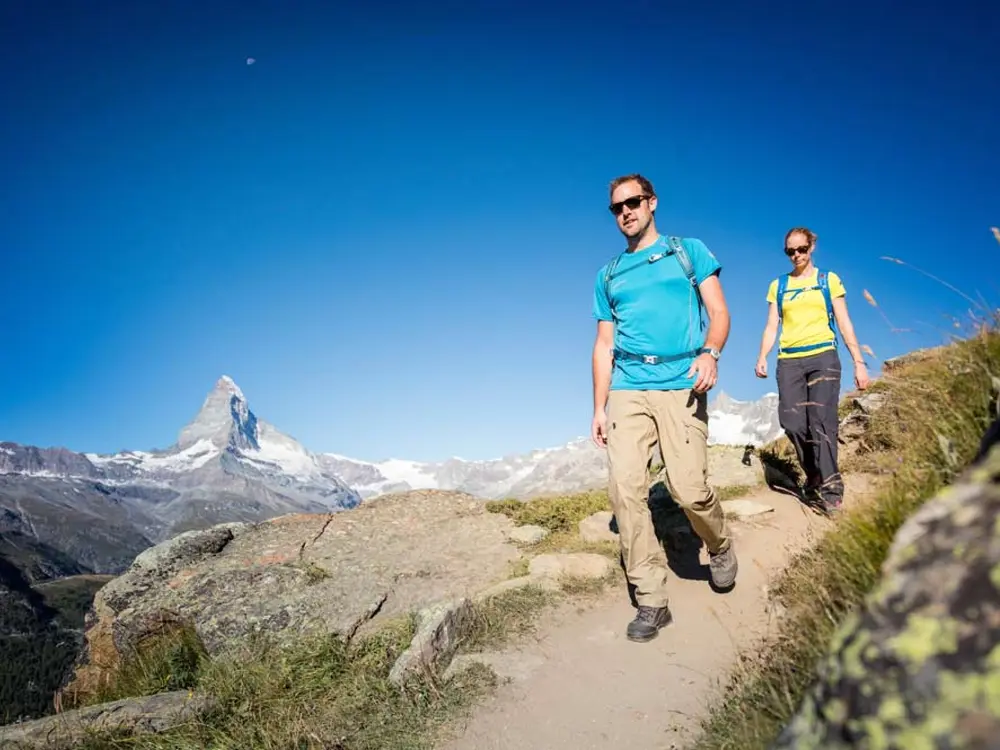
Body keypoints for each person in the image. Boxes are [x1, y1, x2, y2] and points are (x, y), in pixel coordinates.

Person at [590, 173, 738, 643]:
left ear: (652, 203)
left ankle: (718, 543)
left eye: (633, 202)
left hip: (682, 382)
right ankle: (651, 597)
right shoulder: (608, 275)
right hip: (628, 387)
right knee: (626, 488)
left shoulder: (687, 251)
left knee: (689, 489)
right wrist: (598, 406)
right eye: (616, 207)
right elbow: (603, 344)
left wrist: (710, 352)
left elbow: (719, 312)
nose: (625, 212)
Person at [754, 227, 869, 514]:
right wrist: (762, 356)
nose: (796, 255)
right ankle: (814, 473)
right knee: (791, 422)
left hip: (823, 357)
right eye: (790, 251)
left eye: (801, 250)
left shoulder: (828, 280)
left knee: (822, 421)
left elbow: (844, 321)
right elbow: (772, 325)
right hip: (789, 359)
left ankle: (832, 491)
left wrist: (859, 361)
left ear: (811, 247)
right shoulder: (778, 285)